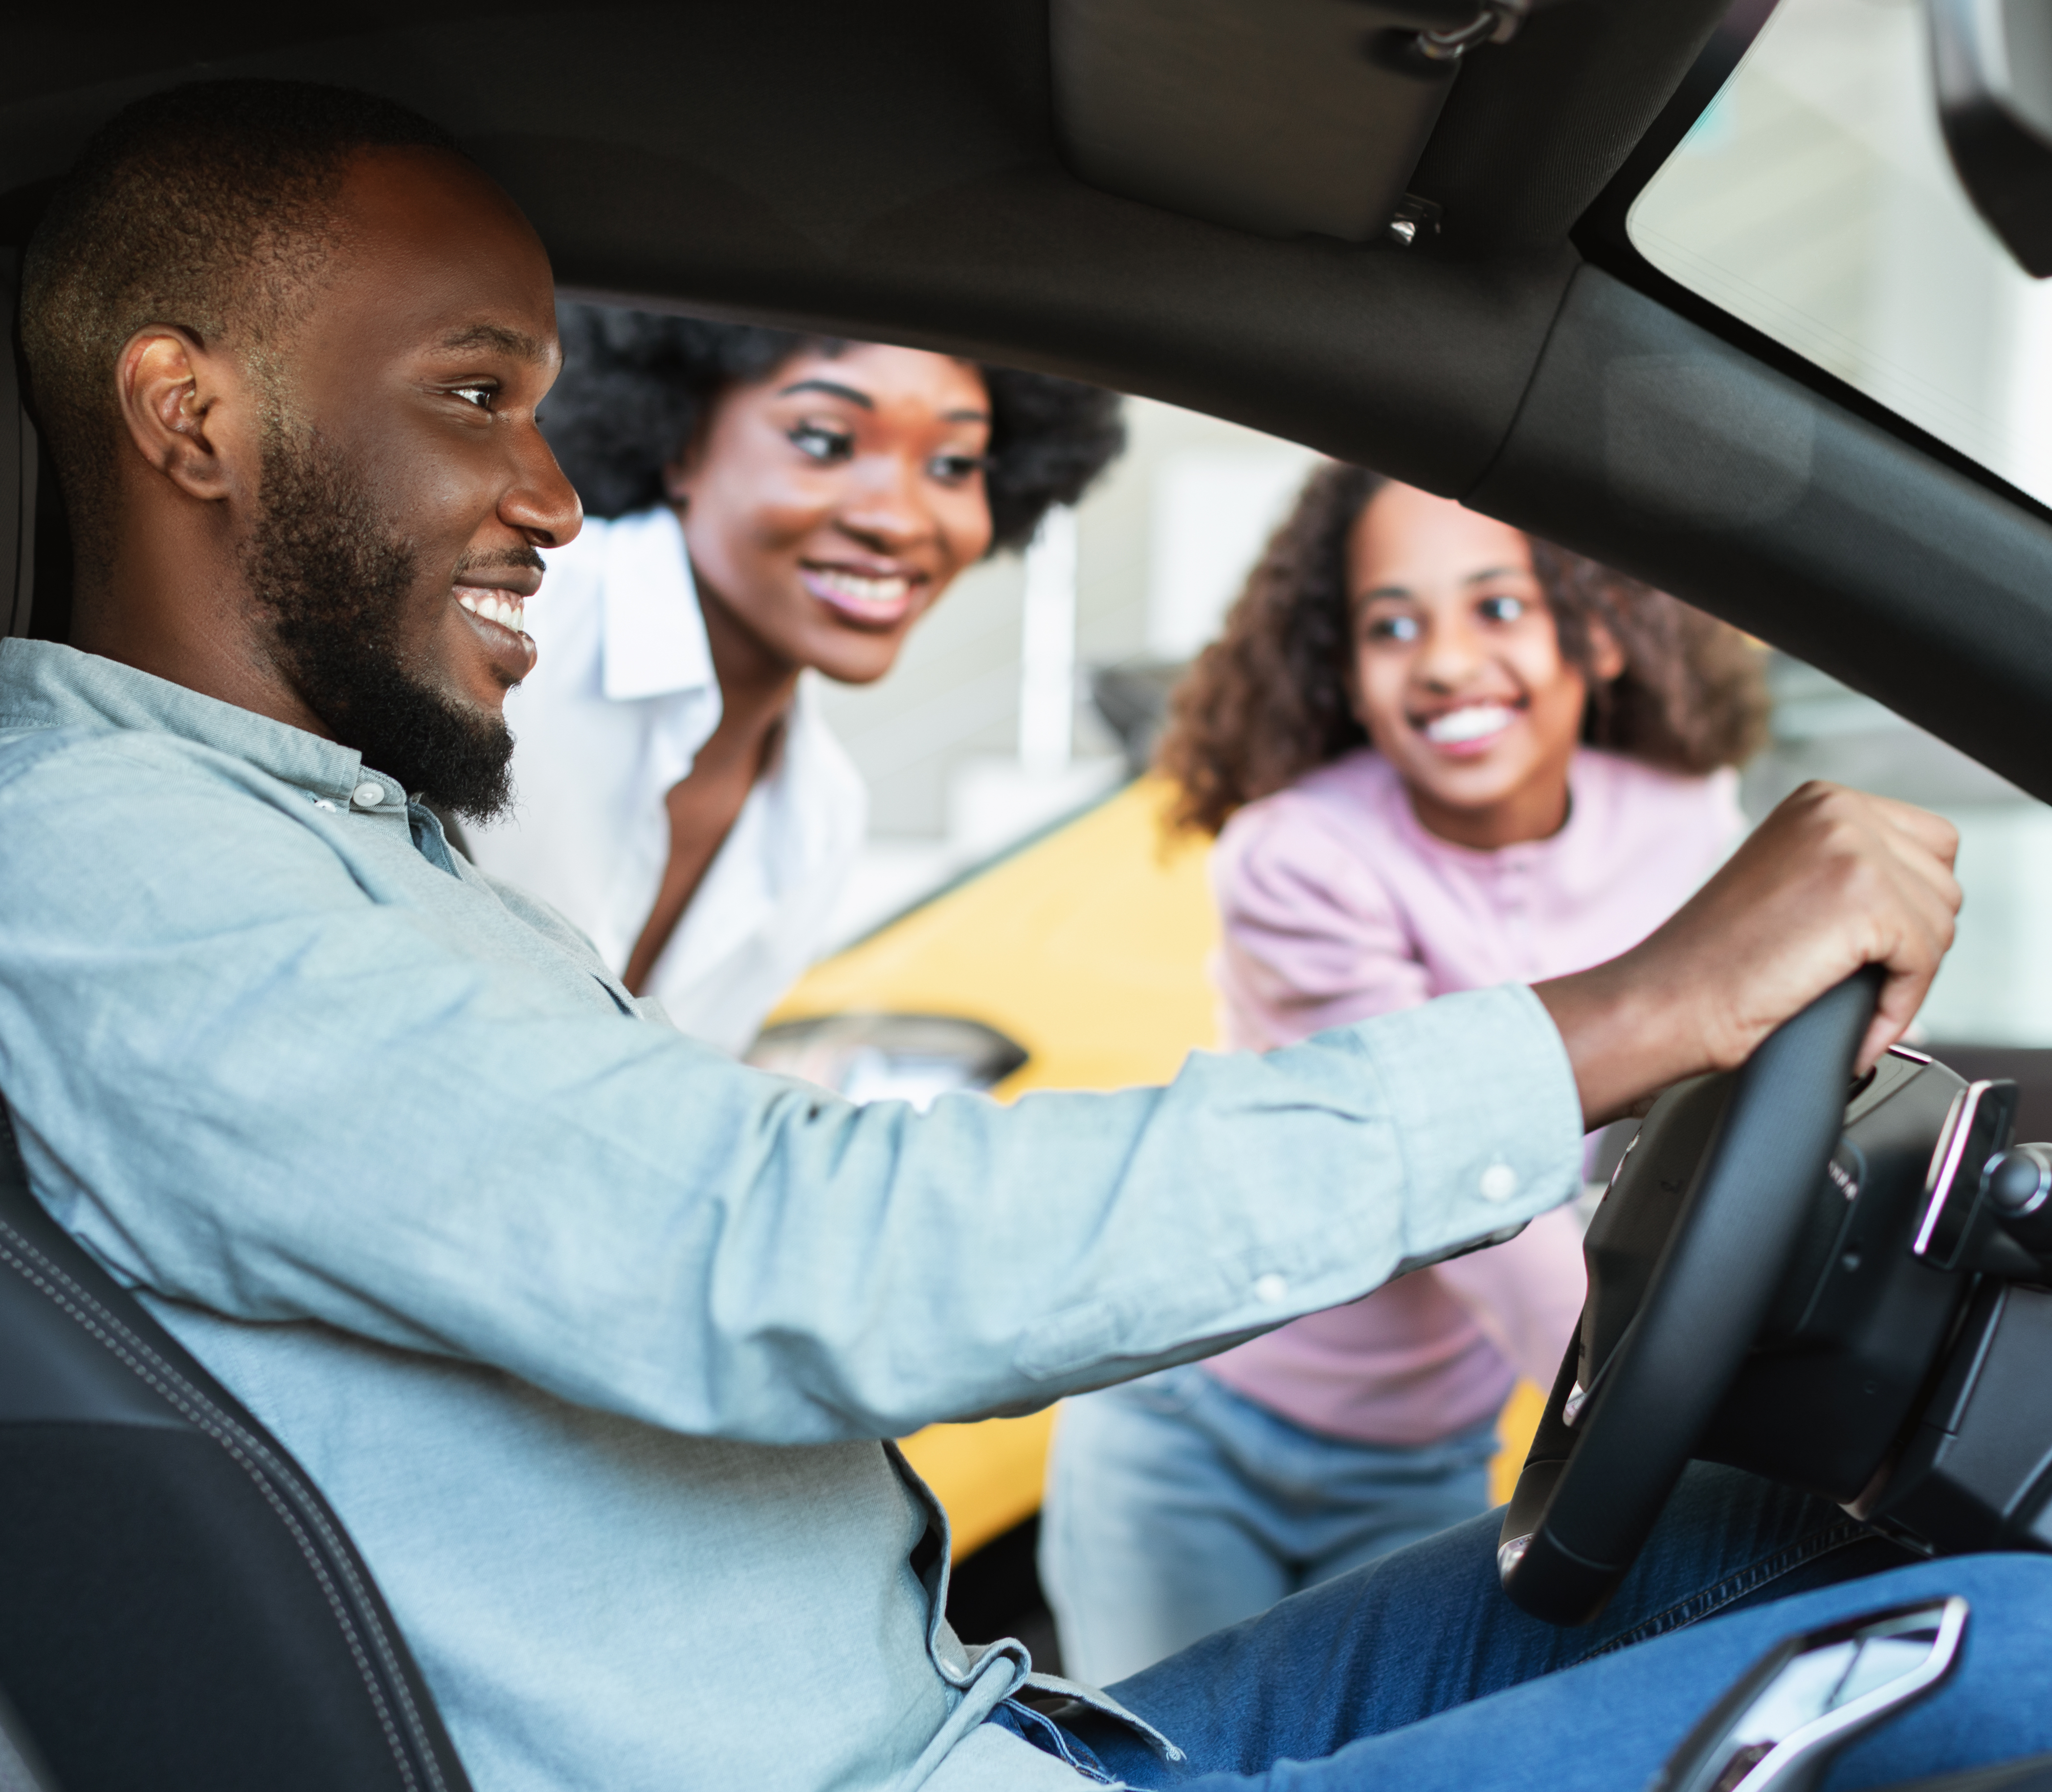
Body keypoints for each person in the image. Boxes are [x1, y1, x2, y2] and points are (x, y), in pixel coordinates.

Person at [0, 76, 2023, 1792]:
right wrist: (1629, 1011)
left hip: (985, 1721)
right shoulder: (115, 866)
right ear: (189, 417)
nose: (549, 488)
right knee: (2012, 1661)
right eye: (472, 396)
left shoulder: (346, 839)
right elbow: (778, 1246)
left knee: (1768, 1539)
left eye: (537, 403)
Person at [1041, 465, 1771, 1682]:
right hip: (1190, 1429)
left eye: (1496, 607)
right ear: (1341, 667)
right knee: (1159, 1767)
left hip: (1422, 1455)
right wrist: (1693, 1449)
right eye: (1392, 624)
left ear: (1596, 631)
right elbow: (1457, 1188)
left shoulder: (1684, 827)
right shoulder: (1298, 859)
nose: (1440, 660)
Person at [460, 309, 1124, 1052]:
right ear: (681, 443)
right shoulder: (517, 621)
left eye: (953, 465)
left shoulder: (821, 816)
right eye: (825, 442)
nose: (898, 521)